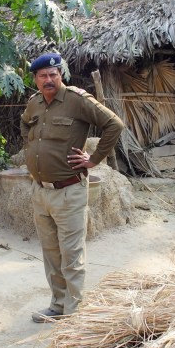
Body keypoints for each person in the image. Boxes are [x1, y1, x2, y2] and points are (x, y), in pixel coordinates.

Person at [20, 53, 124, 323]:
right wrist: (33, 152)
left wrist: (94, 159)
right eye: (43, 76)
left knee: (71, 254)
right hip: (40, 192)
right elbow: (25, 126)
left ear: (60, 75)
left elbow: (114, 124)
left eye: (53, 74)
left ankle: (74, 313)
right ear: (36, 79)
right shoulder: (34, 104)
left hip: (69, 191)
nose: (49, 80)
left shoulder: (77, 100)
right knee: (51, 253)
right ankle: (58, 305)